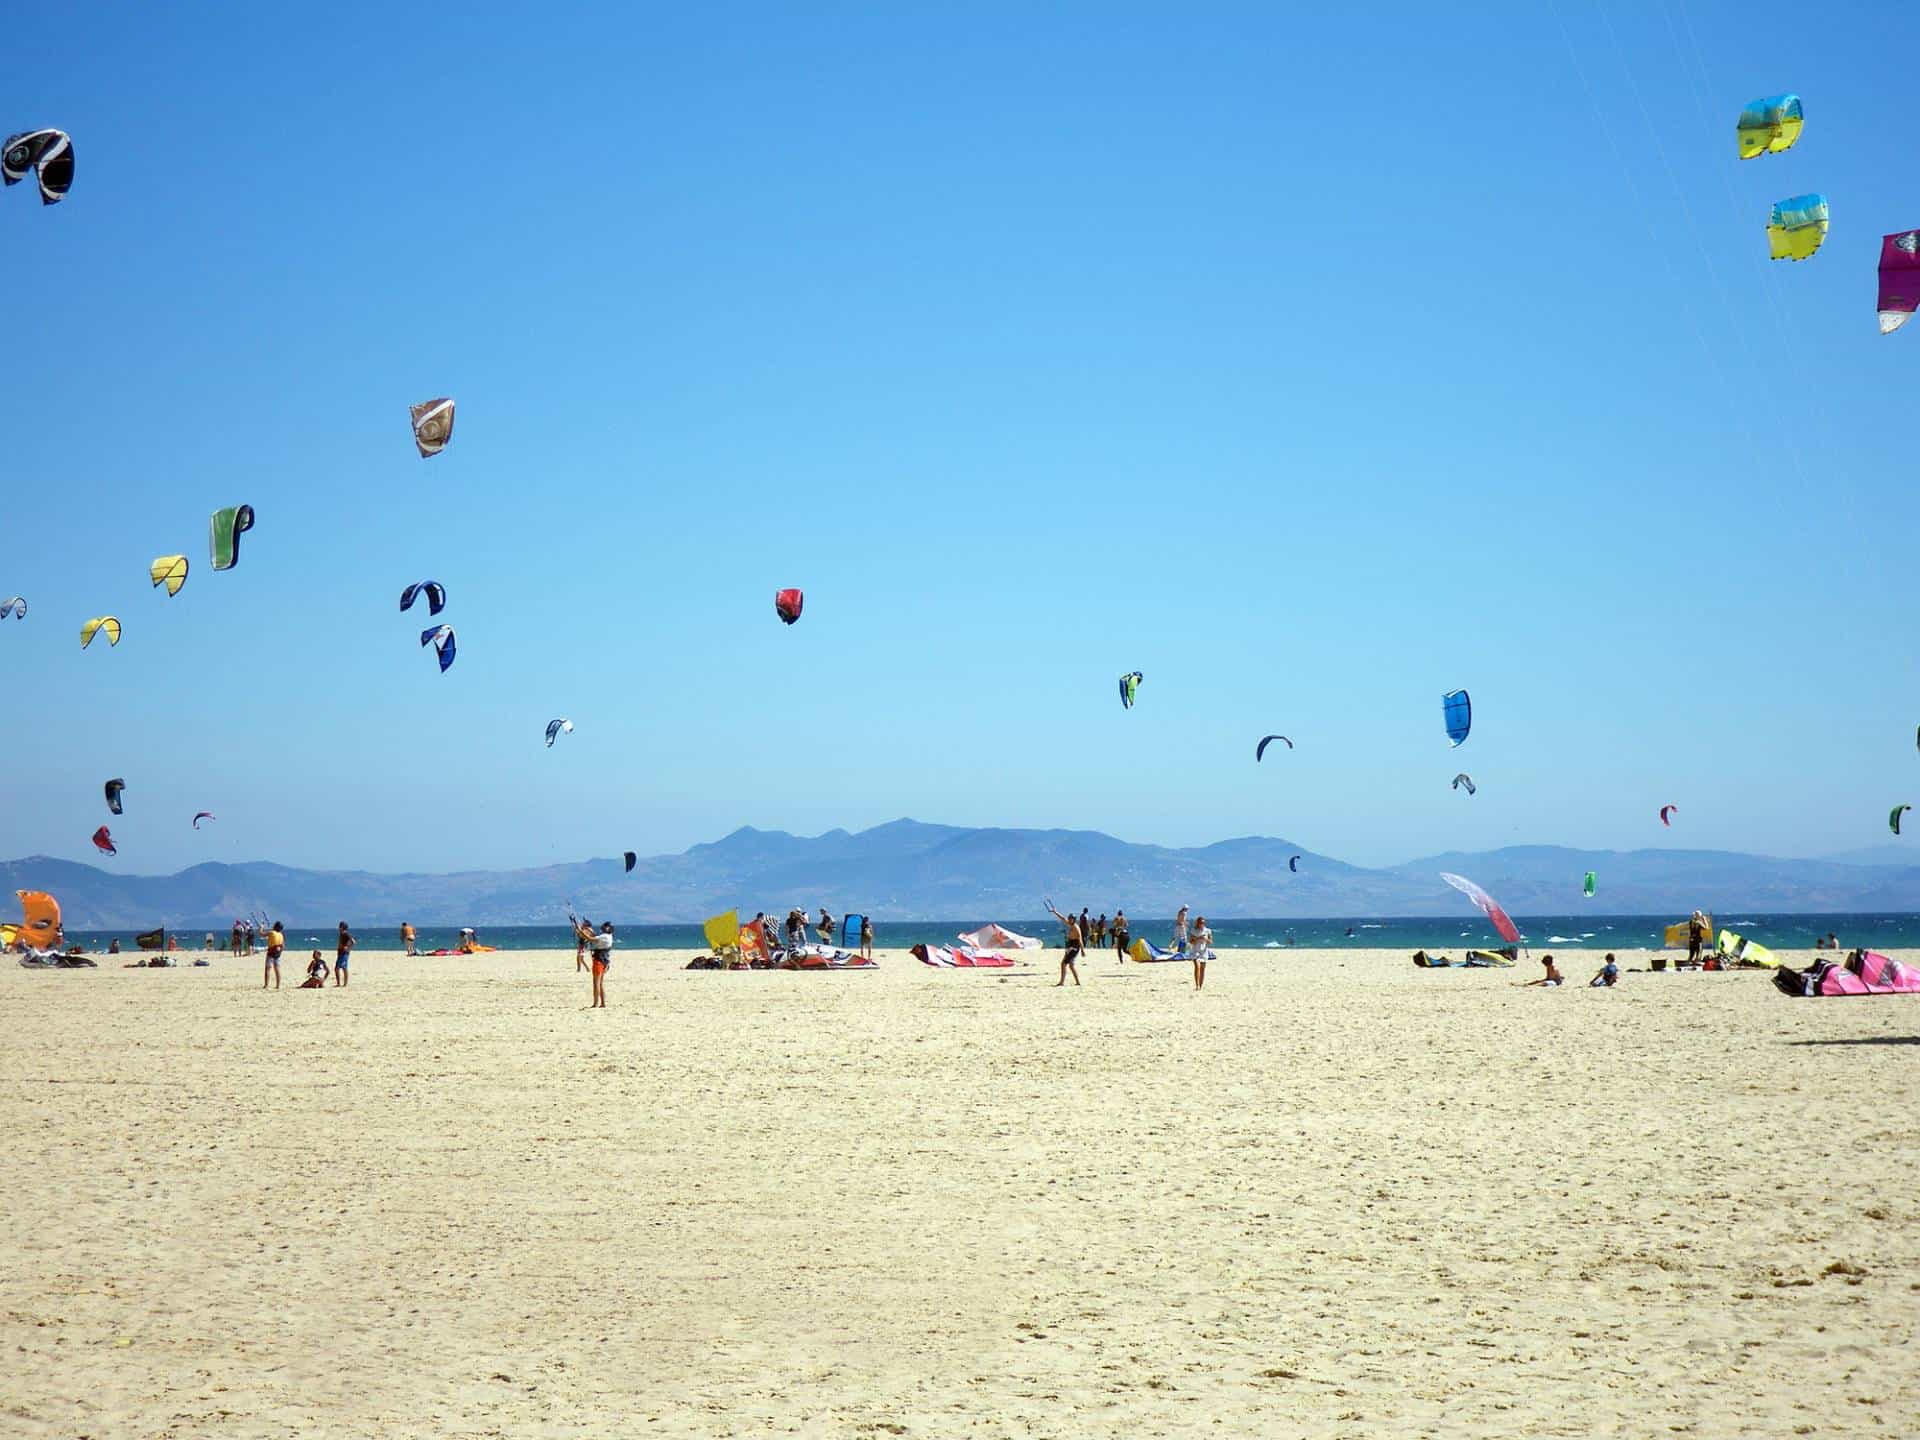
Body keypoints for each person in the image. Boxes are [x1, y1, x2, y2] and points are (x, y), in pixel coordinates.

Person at [1045, 902, 1083, 987]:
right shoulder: (1070, 925)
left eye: (1071, 919)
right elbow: (1062, 918)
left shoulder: (1076, 927)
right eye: (1069, 918)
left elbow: (1080, 939)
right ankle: (1077, 982)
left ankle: (1062, 982)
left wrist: (1083, 951)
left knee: (1063, 964)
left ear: (1074, 919)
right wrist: (1055, 912)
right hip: (1070, 946)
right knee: (1071, 965)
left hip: (1074, 947)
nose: (1069, 920)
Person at [588, 921, 614, 1007]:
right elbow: (596, 937)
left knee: (596, 983)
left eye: (605, 926)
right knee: (600, 983)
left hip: (599, 961)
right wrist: (590, 931)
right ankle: (602, 1003)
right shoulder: (608, 936)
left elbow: (591, 939)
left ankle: (595, 1004)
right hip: (604, 962)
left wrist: (581, 932)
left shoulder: (605, 936)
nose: (603, 927)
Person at [1190, 915, 1213, 991]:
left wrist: (1206, 939)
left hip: (1204, 951)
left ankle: (1200, 985)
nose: (1201, 924)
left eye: (1203, 923)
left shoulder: (1208, 931)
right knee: (1197, 966)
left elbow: (1211, 942)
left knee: (1202, 969)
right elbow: (1191, 941)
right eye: (1200, 922)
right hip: (1195, 950)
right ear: (1197, 923)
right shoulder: (1194, 930)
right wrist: (1198, 938)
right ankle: (1197, 985)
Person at [264, 919, 285, 989]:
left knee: (268, 969)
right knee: (277, 969)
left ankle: (266, 985)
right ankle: (278, 985)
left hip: (271, 952)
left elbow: (261, 934)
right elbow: (283, 945)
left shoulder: (272, 932)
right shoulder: (281, 935)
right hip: (278, 953)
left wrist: (261, 927)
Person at [334, 921, 355, 987]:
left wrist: (348, 948)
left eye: (340, 926)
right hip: (340, 953)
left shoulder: (345, 934)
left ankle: (345, 984)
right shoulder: (341, 934)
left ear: (343, 927)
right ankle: (338, 983)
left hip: (344, 953)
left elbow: (353, 941)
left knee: (343, 967)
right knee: (337, 968)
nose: (339, 928)